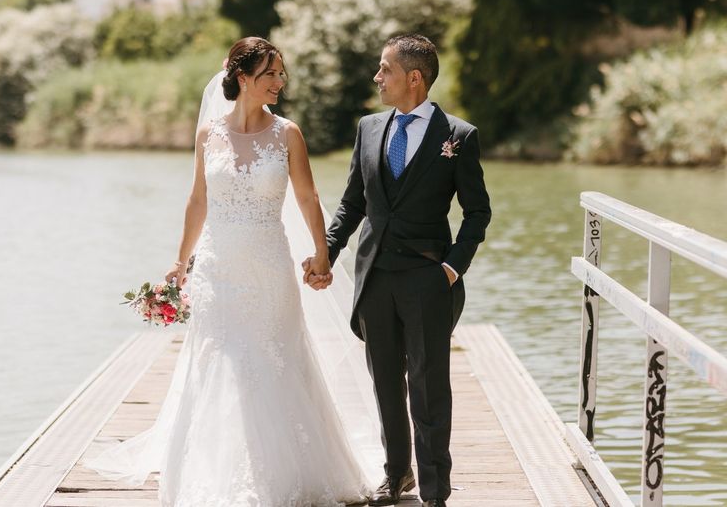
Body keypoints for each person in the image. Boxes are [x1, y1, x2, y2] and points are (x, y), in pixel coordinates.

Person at [86, 37, 376, 506]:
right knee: (220, 364)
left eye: (281, 74)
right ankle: (219, 474)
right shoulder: (208, 136)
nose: (280, 83)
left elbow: (307, 197)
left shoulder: (288, 134)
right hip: (217, 270)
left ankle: (288, 475)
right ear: (242, 78)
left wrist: (322, 254)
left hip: (269, 268)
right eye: (270, 75)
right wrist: (180, 263)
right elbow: (198, 200)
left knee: (274, 359)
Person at [305, 34, 492, 507]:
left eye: (384, 69)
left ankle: (435, 490)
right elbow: (352, 203)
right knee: (386, 383)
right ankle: (397, 475)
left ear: (414, 77)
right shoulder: (369, 128)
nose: (377, 77)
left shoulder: (458, 136)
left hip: (429, 280)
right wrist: (327, 250)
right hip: (374, 278)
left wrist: (451, 269)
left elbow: (478, 212)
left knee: (429, 389)